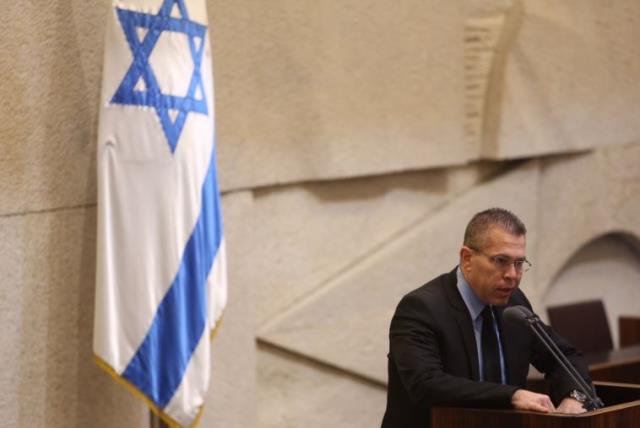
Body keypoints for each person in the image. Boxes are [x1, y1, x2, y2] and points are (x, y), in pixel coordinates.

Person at [381, 208, 593, 428]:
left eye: (519, 263)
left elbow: (564, 357)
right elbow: (426, 385)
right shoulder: (421, 308)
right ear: (467, 258)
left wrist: (573, 397)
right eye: (501, 261)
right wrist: (513, 396)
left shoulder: (515, 304)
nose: (512, 274)